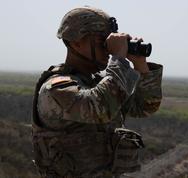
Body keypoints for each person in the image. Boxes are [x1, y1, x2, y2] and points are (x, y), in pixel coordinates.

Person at [32, 6, 163, 178]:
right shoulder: (56, 89)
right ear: (76, 41)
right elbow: (100, 108)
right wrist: (119, 59)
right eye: (102, 41)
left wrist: (140, 65)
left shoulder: (100, 83)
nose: (108, 49)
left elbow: (146, 106)